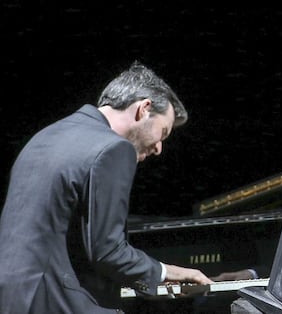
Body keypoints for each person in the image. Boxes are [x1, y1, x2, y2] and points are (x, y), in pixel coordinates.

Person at [0, 61, 214, 313]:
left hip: (16, 297)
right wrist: (165, 272)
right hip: (61, 302)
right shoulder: (113, 148)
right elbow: (107, 252)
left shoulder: (46, 136)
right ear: (144, 109)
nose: (159, 148)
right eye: (163, 133)